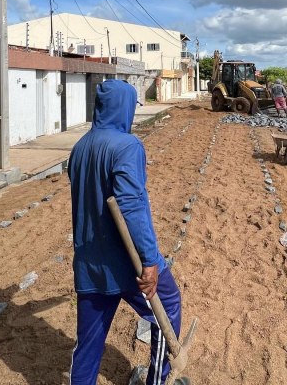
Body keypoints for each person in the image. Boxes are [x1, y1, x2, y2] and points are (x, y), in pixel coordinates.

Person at [68, 80, 183, 385]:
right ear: (124, 108)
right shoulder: (127, 146)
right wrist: (149, 261)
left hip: (89, 265)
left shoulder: (80, 148)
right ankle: (158, 380)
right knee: (168, 306)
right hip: (127, 265)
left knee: (88, 345)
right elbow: (131, 205)